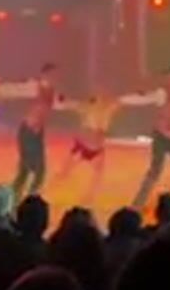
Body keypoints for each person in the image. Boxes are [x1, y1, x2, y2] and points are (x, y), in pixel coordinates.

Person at [128, 66, 170, 210]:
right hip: (160, 137)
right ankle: (137, 204)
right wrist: (122, 100)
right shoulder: (162, 94)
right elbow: (143, 99)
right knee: (155, 170)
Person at [54, 89, 121, 203]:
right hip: (87, 145)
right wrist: (62, 101)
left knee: (95, 172)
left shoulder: (104, 107)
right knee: (71, 170)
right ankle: (86, 194)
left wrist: (62, 101)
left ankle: (88, 195)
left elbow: (69, 104)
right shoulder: (94, 107)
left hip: (91, 146)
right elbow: (69, 104)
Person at [12, 63, 61, 203]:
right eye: (53, 74)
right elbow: (17, 89)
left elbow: (56, 105)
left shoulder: (51, 90)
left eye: (56, 75)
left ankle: (21, 199)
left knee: (31, 170)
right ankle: (21, 199)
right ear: (45, 74)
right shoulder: (35, 86)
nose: (56, 77)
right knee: (32, 169)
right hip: (28, 131)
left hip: (36, 133)